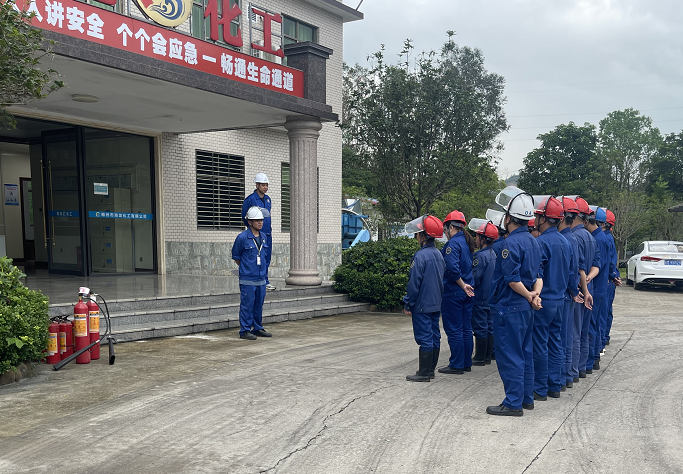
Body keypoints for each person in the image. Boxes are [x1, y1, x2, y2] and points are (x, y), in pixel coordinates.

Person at [486, 186, 542, 417]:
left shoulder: (510, 244)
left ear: (509, 218)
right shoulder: (534, 241)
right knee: (525, 353)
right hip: (525, 309)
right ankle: (526, 398)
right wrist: (534, 295)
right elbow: (538, 276)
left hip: (510, 307)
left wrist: (528, 295)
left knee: (510, 355)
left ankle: (513, 403)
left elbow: (512, 280)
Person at [531, 197, 571, 401]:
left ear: (544, 219)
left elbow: (536, 273)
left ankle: (540, 388)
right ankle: (554, 385)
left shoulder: (541, 242)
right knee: (555, 342)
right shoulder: (566, 242)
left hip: (543, 300)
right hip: (560, 300)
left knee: (539, 344)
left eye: (538, 216)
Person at [403, 215, 446, 382]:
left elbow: (414, 283)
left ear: (422, 235)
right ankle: (431, 370)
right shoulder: (439, 254)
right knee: (435, 335)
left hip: (422, 304)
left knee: (425, 338)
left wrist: (408, 302)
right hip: (436, 302)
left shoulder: (420, 256)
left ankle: (424, 373)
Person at [439, 210, 475, 375]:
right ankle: (466, 362)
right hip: (468, 292)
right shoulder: (466, 243)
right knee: (466, 328)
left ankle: (456, 364)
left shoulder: (453, 244)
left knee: (454, 329)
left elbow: (453, 270)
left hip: (455, 292)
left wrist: (462, 285)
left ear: (450, 227)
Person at [232, 206, 272, 340]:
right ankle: (245, 330)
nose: (260, 222)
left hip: (261, 279)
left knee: (258, 306)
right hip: (247, 279)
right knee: (247, 305)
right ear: (249, 222)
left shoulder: (264, 236)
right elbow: (237, 257)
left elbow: (265, 256)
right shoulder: (242, 237)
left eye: (261, 220)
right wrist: (247, 268)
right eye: (257, 220)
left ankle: (257, 328)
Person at [585, 207, 617, 372]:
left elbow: (600, 264)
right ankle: (594, 357)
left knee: (592, 325)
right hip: (600, 287)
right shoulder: (600, 237)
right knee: (596, 324)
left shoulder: (599, 239)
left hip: (596, 288)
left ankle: (592, 360)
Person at [571, 197, 599, 379]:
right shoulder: (591, 237)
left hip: (580, 292)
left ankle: (573, 371)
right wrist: (589, 278)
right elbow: (596, 265)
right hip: (590, 289)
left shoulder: (574, 237)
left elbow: (578, 268)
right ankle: (582, 367)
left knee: (574, 331)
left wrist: (583, 283)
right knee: (584, 330)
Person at [559, 197, 582, 390]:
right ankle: (567, 375)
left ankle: (564, 376)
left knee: (562, 337)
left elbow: (571, 271)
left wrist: (573, 290)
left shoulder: (566, 239)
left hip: (564, 295)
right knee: (568, 336)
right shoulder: (572, 238)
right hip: (569, 294)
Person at [469, 220, 498, 366]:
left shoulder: (480, 256)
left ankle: (480, 357)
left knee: (480, 327)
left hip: (480, 298)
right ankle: (487, 356)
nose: (476, 239)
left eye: (477, 236)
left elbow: (475, 277)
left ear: (483, 238)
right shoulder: (494, 254)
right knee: (489, 327)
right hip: (491, 298)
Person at [242, 173, 275, 291]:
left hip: (267, 234)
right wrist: (253, 230)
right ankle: (257, 279)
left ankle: (265, 281)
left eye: (267, 185)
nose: (265, 187)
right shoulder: (250, 199)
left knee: (267, 257)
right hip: (256, 235)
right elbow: (244, 216)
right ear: (257, 185)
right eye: (263, 185)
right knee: (257, 257)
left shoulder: (268, 199)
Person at [602, 209, 620, 347]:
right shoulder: (609, 238)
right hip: (610, 279)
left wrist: (613, 276)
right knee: (606, 311)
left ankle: (603, 338)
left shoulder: (604, 239)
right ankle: (605, 337)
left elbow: (608, 261)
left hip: (606, 280)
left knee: (603, 312)